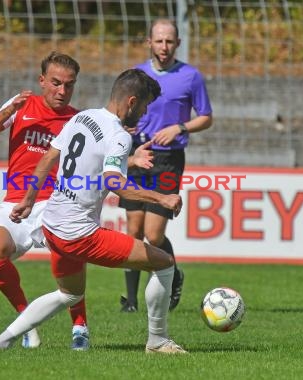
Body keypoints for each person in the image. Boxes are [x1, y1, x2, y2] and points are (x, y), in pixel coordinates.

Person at [0, 68, 187, 354]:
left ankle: (0, 342)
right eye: (144, 106)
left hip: (52, 224)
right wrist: (161, 198)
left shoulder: (83, 117)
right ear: (131, 102)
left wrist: (29, 199)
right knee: (164, 263)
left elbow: (50, 156)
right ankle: (158, 341)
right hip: (79, 234)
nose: (144, 114)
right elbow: (114, 182)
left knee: (69, 293)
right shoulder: (119, 135)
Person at [0, 51, 91, 350]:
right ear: (41, 81)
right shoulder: (21, 106)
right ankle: (26, 322)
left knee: (69, 259)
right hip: (16, 202)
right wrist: (7, 111)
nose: (62, 91)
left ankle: (80, 326)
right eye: (55, 83)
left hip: (56, 204)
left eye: (69, 85)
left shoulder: (78, 121)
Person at [118, 18, 213, 313]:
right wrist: (126, 127)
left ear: (178, 43)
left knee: (154, 234)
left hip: (168, 159)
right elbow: (122, 110)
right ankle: (131, 300)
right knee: (133, 230)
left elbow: (206, 116)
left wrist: (180, 128)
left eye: (169, 41)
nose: (164, 46)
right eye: (158, 41)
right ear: (149, 42)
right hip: (137, 154)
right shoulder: (136, 75)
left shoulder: (190, 76)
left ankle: (174, 274)